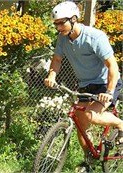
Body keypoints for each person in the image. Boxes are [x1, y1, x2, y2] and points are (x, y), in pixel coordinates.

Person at [44, 1, 123, 172]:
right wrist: (52, 74)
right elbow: (57, 60)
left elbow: (113, 67)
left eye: (61, 22)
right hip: (86, 85)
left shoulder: (95, 37)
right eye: (55, 24)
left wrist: (109, 92)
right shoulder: (63, 38)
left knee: (91, 115)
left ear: (73, 19)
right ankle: (89, 159)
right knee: (80, 122)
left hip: (106, 82)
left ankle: (120, 124)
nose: (58, 27)